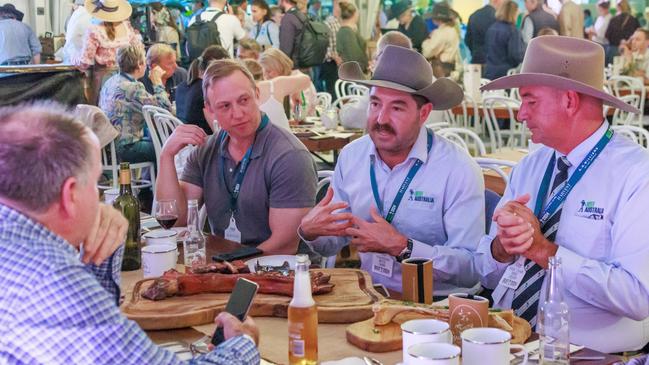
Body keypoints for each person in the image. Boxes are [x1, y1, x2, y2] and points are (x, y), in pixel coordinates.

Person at [0, 101, 261, 364]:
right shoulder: (51, 282)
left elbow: (98, 344)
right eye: (94, 185)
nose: (100, 200)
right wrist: (244, 343)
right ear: (70, 195)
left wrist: (100, 250)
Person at [478, 35, 649, 353]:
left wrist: (543, 251)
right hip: (506, 339)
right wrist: (503, 247)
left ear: (569, 101)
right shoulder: (530, 166)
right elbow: (485, 272)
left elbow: (638, 298)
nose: (520, 115)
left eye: (530, 101)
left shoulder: (637, 174)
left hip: (590, 353)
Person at [300, 45, 484, 295]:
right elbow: (333, 242)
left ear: (424, 113)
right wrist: (311, 232)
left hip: (438, 302)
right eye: (375, 104)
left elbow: (472, 267)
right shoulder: (352, 156)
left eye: (396, 108)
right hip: (369, 293)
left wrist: (403, 247)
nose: (381, 119)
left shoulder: (457, 169)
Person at [156, 59, 317, 253]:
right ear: (210, 110)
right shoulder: (206, 149)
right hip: (224, 264)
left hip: (275, 270)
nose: (238, 113)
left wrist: (230, 265)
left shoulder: (289, 157)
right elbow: (177, 219)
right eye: (225, 106)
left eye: (244, 100)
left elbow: (284, 245)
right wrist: (166, 156)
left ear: (257, 95)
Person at [99, 44, 172, 164]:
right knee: (169, 147)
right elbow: (165, 108)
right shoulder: (134, 87)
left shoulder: (111, 81)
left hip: (108, 147)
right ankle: (161, 182)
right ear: (139, 64)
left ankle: (153, 180)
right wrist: (158, 81)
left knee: (158, 141)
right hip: (126, 149)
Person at [339, 31, 413, 130]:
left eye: (377, 57)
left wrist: (345, 108)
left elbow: (350, 120)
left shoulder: (383, 85)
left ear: (381, 57)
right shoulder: (430, 83)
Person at [75, 0, 141, 105]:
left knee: (104, 111)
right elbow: (138, 51)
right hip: (128, 77)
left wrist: (73, 58)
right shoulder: (127, 27)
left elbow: (85, 62)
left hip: (105, 78)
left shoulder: (94, 31)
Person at [176, 45, 231, 135]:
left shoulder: (181, 86)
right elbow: (220, 126)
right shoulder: (206, 90)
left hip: (186, 141)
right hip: (204, 141)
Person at [258, 48, 317, 125]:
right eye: (264, 73)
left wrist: (295, 108)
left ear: (279, 66)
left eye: (269, 71)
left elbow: (301, 116)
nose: (266, 76)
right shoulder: (272, 86)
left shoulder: (298, 80)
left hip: (305, 128)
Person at [485, 0, 525, 80]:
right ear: (513, 13)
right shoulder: (513, 31)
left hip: (490, 72)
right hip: (505, 75)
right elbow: (515, 55)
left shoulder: (492, 28)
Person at [422, 2, 461, 78]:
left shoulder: (440, 33)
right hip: (451, 70)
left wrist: (426, 41)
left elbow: (427, 52)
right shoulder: (453, 30)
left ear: (437, 19)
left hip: (441, 70)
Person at [465, 0, 503, 66]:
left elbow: (467, 40)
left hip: (476, 61)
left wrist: (475, 51)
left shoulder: (474, 15)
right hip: (493, 64)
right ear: (497, 0)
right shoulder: (499, 18)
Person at [336, 2, 368, 73]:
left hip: (352, 72)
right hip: (353, 73)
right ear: (355, 14)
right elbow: (354, 57)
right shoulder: (347, 32)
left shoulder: (349, 31)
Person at [320, 0, 343, 97]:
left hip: (344, 64)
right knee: (334, 95)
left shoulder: (346, 22)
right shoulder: (328, 23)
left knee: (343, 93)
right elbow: (323, 47)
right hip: (331, 64)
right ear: (335, 5)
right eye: (341, 4)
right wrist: (335, 57)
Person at [278, 0, 304, 66]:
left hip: (293, 66)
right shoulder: (301, 15)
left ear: (284, 1)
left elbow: (285, 49)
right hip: (304, 64)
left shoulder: (288, 18)